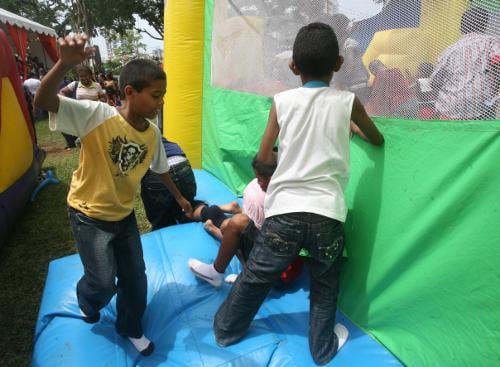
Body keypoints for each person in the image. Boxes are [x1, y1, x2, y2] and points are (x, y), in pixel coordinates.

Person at [212, 22, 384, 365]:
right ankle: (321, 350)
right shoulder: (348, 102)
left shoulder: (282, 101)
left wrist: (273, 167)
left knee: (257, 275)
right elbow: (376, 138)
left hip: (284, 212)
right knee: (325, 286)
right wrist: (350, 127)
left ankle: (226, 329)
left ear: (293, 66)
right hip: (327, 214)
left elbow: (263, 158)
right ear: (338, 64)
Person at [34, 33, 193, 356]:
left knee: (135, 275)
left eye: (163, 96)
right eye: (156, 95)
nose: (161, 102)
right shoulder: (96, 116)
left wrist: (179, 198)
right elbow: (42, 101)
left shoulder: (152, 133)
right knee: (103, 281)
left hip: (123, 215)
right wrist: (64, 63)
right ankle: (87, 298)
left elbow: (159, 167)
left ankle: (130, 326)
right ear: (130, 92)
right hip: (88, 215)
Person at [187, 154, 304, 287]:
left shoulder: (261, 196)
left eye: (259, 179)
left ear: (271, 179)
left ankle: (216, 271)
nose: (257, 182)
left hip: (275, 269)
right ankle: (228, 214)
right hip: (285, 261)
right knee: (229, 222)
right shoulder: (290, 191)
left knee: (233, 224)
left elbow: (250, 234)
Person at [430, 7, 500, 120]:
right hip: (481, 108)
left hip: (450, 108)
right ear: (484, 25)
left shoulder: (450, 50)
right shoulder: (491, 42)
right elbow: (497, 61)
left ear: (462, 27)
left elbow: (434, 80)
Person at [140, 137, 210, 230]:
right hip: (182, 166)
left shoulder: (128, 133)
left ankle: (169, 238)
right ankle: (215, 212)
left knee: (160, 218)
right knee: (187, 209)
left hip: (158, 174)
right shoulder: (152, 130)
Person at [59, 64, 107, 150]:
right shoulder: (75, 84)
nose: (84, 78)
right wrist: (68, 102)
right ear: (78, 76)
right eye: (81, 76)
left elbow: (104, 98)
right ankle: (80, 145)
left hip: (94, 114)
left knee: (94, 133)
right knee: (83, 134)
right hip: (80, 114)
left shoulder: (97, 85)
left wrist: (102, 101)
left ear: (90, 75)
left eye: (86, 76)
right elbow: (61, 92)